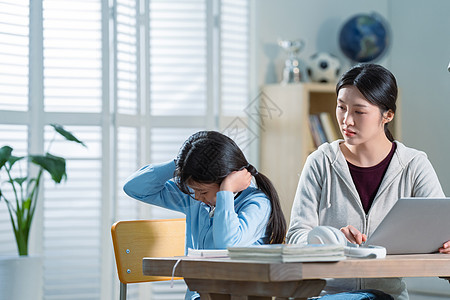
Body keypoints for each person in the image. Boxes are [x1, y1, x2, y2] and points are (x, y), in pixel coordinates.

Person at [286, 63, 446, 300]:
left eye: (359, 112)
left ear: (388, 115)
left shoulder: (414, 165)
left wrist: (444, 244)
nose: (346, 120)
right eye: (341, 107)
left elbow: (440, 226)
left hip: (387, 296)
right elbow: (296, 236)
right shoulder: (319, 162)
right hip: (326, 295)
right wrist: (331, 239)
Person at [123, 130, 287, 300]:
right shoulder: (196, 200)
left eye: (203, 191)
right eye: (194, 191)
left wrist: (226, 192)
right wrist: (180, 164)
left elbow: (227, 244)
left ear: (226, 179)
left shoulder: (258, 203)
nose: (197, 196)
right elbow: (134, 188)